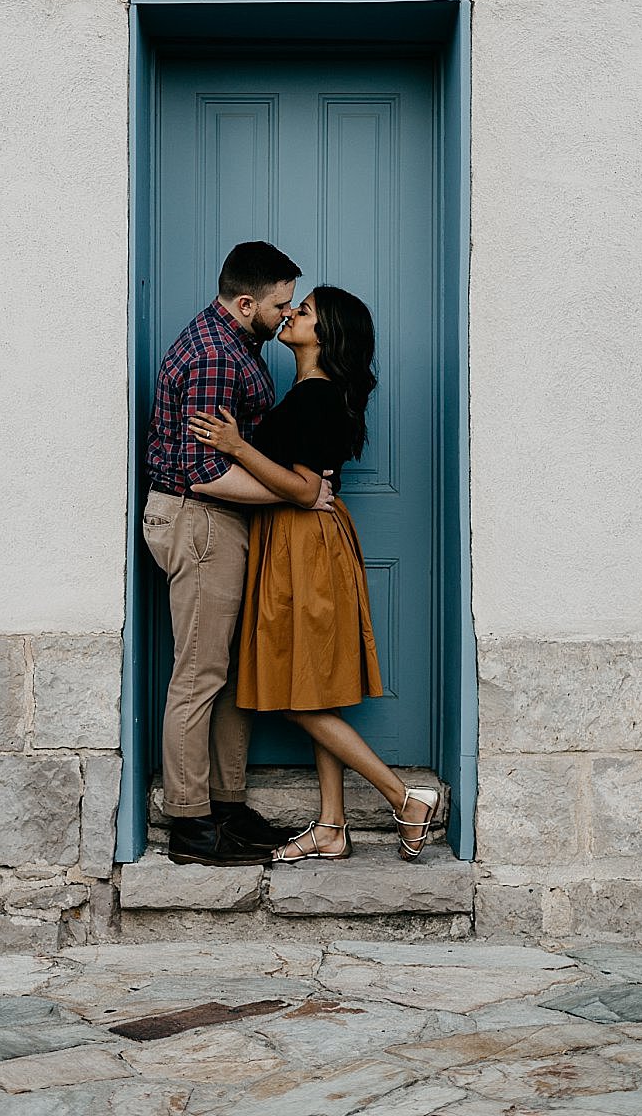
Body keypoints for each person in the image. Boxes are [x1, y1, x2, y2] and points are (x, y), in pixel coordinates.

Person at [188, 285, 439, 862]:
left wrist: (235, 446)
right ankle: (331, 827)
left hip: (305, 543)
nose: (291, 315)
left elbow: (304, 490)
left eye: (303, 313)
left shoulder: (315, 398)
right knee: (315, 686)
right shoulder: (308, 392)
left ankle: (405, 797)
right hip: (303, 541)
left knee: (300, 697)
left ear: (324, 337)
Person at [143, 240, 333, 868]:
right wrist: (300, 498)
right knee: (198, 677)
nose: (287, 315)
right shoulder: (214, 356)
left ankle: (223, 806)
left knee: (225, 676)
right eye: (281, 305)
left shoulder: (238, 344)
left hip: (225, 523)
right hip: (201, 519)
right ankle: (191, 824)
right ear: (245, 302)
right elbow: (202, 471)